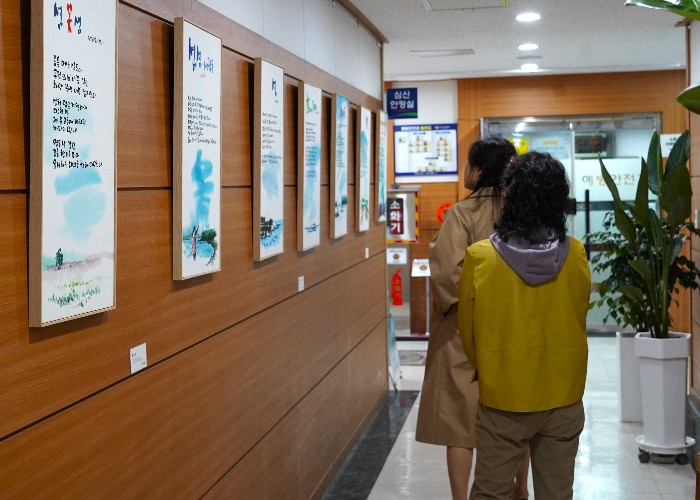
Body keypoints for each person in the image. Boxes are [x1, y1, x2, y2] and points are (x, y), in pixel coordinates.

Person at [457, 152, 590, 500]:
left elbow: (468, 334)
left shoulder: (480, 257)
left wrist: (491, 367)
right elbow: (579, 312)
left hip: (504, 395)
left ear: (507, 196)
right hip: (564, 391)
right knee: (557, 493)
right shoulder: (576, 253)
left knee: (491, 492)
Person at [415, 137, 529, 500]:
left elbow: (447, 275)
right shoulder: (522, 211)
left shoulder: (461, 213)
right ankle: (520, 491)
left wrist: (461, 307)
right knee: (517, 416)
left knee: (460, 424)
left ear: (477, 170)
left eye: (468, 163)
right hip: (514, 327)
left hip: (463, 333)